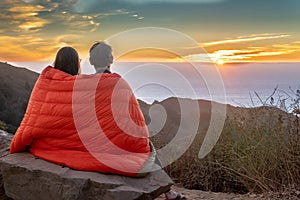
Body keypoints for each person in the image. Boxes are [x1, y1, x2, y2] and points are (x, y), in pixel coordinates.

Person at [10, 46, 154, 177]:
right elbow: (134, 127)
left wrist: (20, 141)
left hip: (49, 144)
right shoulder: (114, 84)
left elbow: (32, 118)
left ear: (91, 61)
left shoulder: (45, 82)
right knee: (146, 149)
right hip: (101, 148)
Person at [89, 42, 186, 200]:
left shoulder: (84, 83)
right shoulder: (118, 83)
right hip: (115, 142)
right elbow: (134, 116)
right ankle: (168, 193)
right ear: (111, 60)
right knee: (147, 147)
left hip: (92, 141)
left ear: (91, 61)